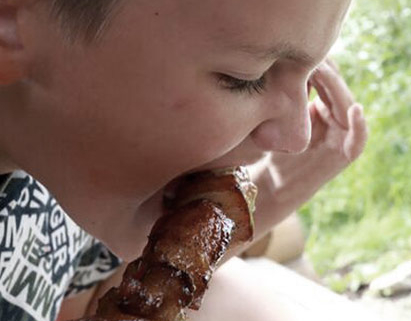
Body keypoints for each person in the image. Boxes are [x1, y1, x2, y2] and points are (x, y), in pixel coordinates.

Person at [0, 0, 372, 320]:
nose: (297, 137)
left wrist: (271, 192)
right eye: (245, 78)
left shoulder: (60, 165)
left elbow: (85, 304)